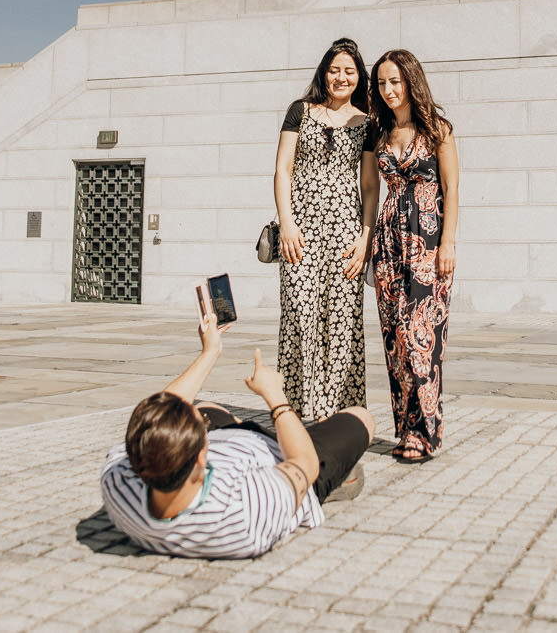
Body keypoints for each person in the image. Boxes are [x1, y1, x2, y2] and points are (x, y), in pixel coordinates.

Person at [100, 306, 374, 560]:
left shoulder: (120, 482)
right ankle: (334, 483)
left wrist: (210, 351)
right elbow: (304, 465)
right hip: (284, 458)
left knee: (205, 406)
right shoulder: (244, 512)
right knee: (361, 418)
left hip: (236, 443)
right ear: (200, 460)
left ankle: (244, 426)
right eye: (201, 429)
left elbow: (162, 409)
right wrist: (275, 397)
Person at [272, 38, 379, 419]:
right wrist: (286, 222)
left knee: (343, 317)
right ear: (324, 72)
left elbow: (369, 185)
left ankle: (338, 413)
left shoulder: (367, 122)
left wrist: (365, 237)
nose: (341, 77)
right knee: (300, 312)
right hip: (300, 228)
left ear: (359, 77)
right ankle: (296, 409)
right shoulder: (299, 111)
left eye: (349, 71)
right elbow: (283, 168)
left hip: (346, 229)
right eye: (335, 69)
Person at [369, 49, 459, 463]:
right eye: (382, 83)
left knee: (421, 338)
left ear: (411, 81)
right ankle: (406, 429)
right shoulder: (380, 134)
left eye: (395, 81)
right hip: (388, 245)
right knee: (395, 341)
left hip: (426, 242)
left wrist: (448, 243)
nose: (389, 90)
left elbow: (452, 189)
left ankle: (426, 433)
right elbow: (372, 193)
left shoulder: (438, 129)